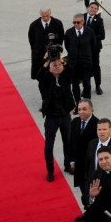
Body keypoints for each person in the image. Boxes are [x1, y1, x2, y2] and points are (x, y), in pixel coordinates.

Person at [38, 52, 76, 181]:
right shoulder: (46, 78)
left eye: (60, 64)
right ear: (50, 67)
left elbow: (72, 71)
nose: (58, 67)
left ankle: (68, 165)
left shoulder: (66, 76)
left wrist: (63, 60)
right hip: (51, 117)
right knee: (49, 145)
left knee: (68, 141)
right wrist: (47, 62)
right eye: (55, 65)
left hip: (65, 115)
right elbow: (38, 76)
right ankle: (50, 170)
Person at [68, 100, 100, 193]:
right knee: (82, 188)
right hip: (78, 164)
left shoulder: (97, 124)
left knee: (90, 190)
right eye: (79, 109)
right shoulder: (75, 121)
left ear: (91, 109)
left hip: (90, 165)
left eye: (84, 109)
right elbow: (71, 142)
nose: (81, 111)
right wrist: (72, 161)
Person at [27, 7, 66, 81]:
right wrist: (37, 50)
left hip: (54, 54)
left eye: (47, 15)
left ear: (50, 14)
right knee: (41, 76)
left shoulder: (57, 23)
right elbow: (31, 40)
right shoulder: (34, 25)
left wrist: (57, 49)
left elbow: (61, 37)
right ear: (40, 15)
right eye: (43, 16)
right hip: (39, 55)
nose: (45, 18)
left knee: (54, 75)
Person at [64, 13, 95, 104]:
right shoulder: (69, 32)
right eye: (74, 22)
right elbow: (67, 46)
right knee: (74, 85)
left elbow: (93, 45)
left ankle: (88, 104)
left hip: (86, 62)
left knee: (87, 84)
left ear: (83, 22)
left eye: (78, 22)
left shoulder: (89, 31)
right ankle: (78, 104)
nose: (76, 24)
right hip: (73, 63)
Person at [85, 1, 106, 96]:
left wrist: (90, 38)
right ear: (88, 8)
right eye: (92, 7)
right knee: (85, 68)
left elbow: (102, 35)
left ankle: (98, 86)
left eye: (95, 9)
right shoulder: (82, 17)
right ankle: (86, 86)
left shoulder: (99, 20)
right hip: (83, 49)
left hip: (94, 48)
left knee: (96, 67)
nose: (93, 9)